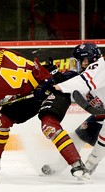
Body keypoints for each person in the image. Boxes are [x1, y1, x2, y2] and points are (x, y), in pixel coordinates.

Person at [0, 41, 90, 181]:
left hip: (53, 88)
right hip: (35, 90)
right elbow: (27, 64)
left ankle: (78, 165)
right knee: (2, 119)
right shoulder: (0, 52)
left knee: (49, 125)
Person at [40, 42, 104, 176]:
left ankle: (90, 164)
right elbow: (74, 82)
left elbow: (83, 81)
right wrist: (55, 75)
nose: (78, 63)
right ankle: (59, 165)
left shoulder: (100, 66)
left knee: (103, 138)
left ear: (87, 60)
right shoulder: (90, 71)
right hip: (102, 113)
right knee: (78, 136)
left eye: (79, 60)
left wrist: (56, 87)